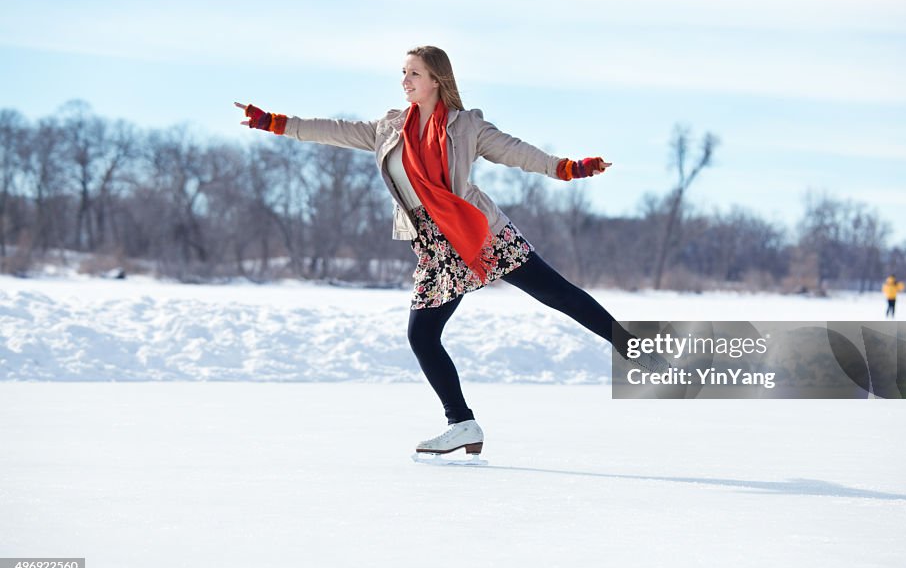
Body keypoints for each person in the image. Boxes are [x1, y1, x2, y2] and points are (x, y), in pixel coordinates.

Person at [235, 46, 665, 459]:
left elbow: (517, 152)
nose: (405, 80)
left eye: (413, 73)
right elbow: (332, 130)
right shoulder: (388, 128)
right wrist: (274, 122)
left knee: (556, 293)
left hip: (479, 232)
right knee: (422, 335)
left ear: (436, 79)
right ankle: (462, 424)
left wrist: (568, 167)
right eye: (403, 72)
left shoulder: (466, 127)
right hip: (437, 247)